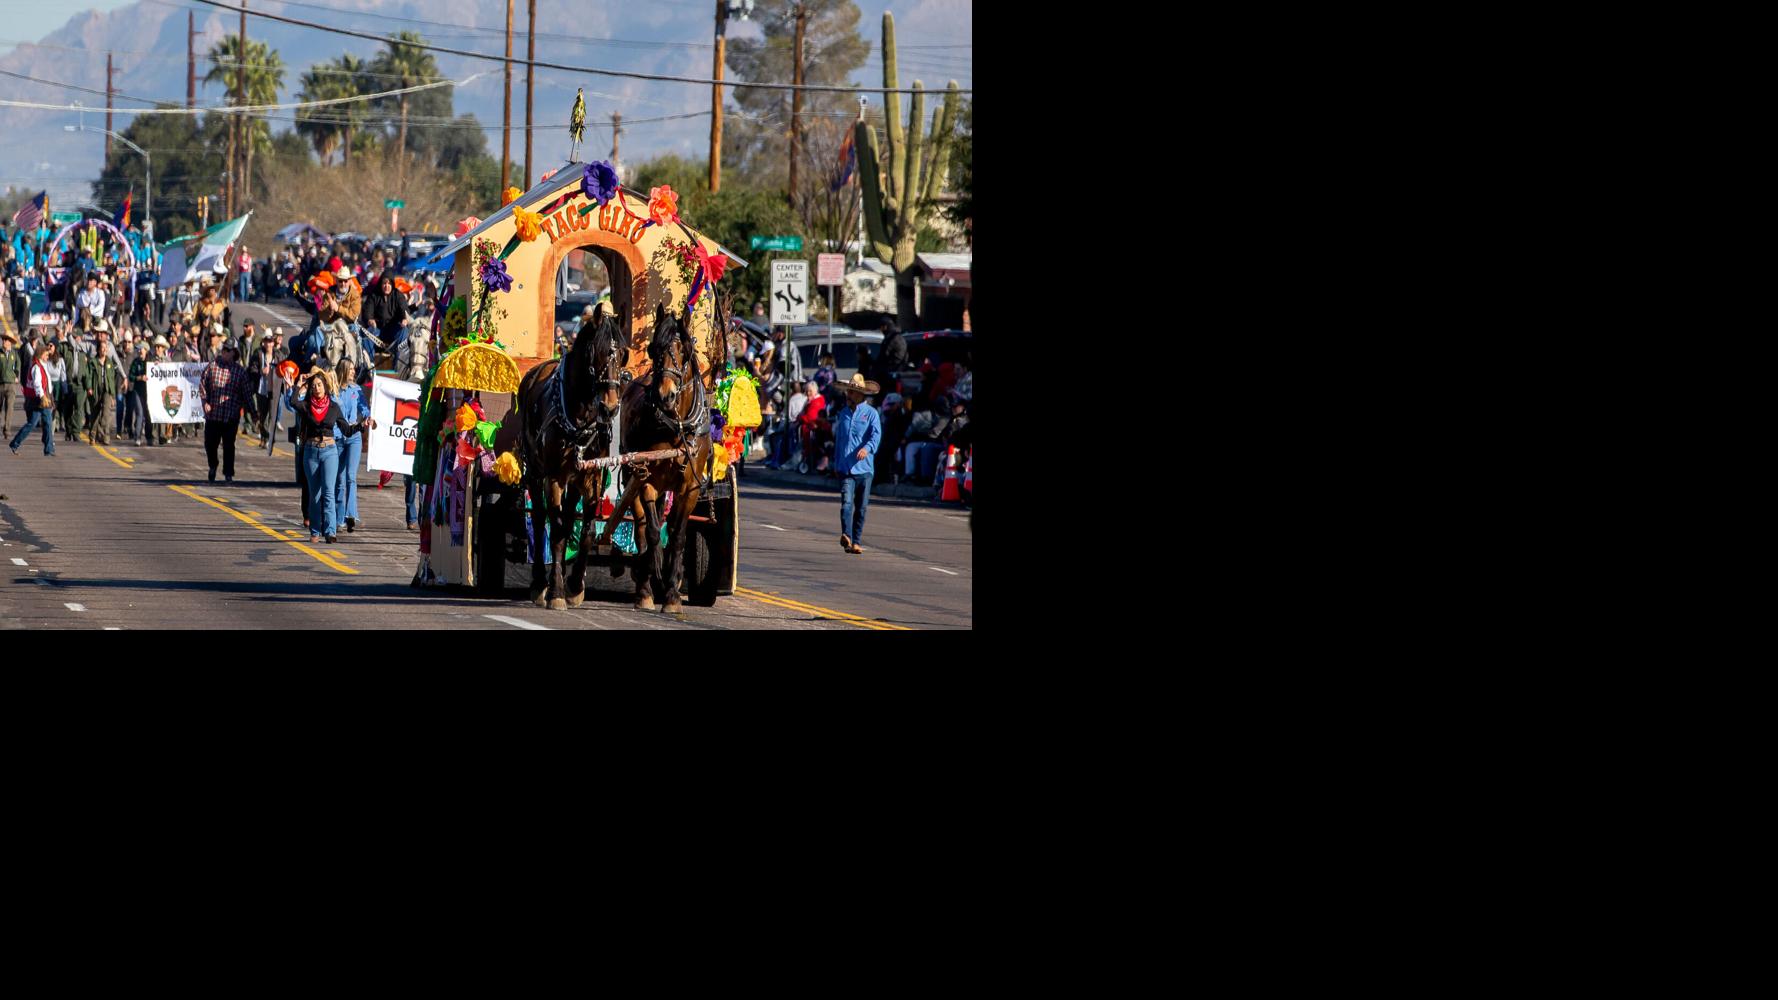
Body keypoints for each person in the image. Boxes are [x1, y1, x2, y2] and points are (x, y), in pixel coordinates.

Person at [831, 373, 881, 554]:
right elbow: (839, 441)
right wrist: (836, 463)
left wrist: (867, 448)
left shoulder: (871, 414)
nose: (849, 395)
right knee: (846, 503)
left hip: (865, 469)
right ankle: (846, 535)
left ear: (860, 395)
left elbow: (876, 436)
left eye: (852, 392)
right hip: (846, 468)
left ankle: (857, 541)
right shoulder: (843, 413)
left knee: (861, 507)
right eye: (848, 392)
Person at [200, 339, 253, 483]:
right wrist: (205, 402)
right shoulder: (212, 367)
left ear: (234, 353)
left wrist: (253, 413)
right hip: (214, 415)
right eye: (224, 349)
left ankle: (228, 473)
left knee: (229, 445)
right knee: (210, 444)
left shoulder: (240, 372)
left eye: (228, 350)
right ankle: (213, 465)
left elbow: (247, 393)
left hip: (231, 416)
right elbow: (202, 385)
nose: (224, 352)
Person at [330, 358, 369, 532]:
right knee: (339, 479)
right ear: (344, 370)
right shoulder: (334, 391)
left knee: (351, 477)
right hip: (338, 437)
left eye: (354, 369)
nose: (354, 372)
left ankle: (351, 514)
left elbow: (364, 408)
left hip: (354, 436)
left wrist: (368, 417)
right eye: (351, 369)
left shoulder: (357, 390)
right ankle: (339, 518)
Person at [9, 341, 55, 456]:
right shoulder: (36, 367)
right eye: (45, 355)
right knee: (41, 423)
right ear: (40, 355)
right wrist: (43, 396)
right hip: (39, 400)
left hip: (44, 398)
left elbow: (47, 383)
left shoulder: (42, 365)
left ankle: (16, 443)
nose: (47, 356)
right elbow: (37, 384)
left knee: (39, 423)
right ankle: (48, 448)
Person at [84, 325, 123, 446]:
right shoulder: (93, 362)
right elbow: (88, 375)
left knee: (106, 414)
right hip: (96, 389)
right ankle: (93, 435)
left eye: (106, 348)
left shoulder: (110, 363)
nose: (104, 350)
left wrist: (112, 395)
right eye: (102, 348)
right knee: (95, 414)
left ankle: (105, 437)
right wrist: (89, 387)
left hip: (106, 390)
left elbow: (111, 379)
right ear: (99, 350)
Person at [362, 274, 407, 355]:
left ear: (392, 284)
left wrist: (404, 318)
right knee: (367, 333)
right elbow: (368, 310)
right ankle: (370, 363)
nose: (387, 286)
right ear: (380, 284)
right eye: (384, 283)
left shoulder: (398, 295)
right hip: (378, 329)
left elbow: (403, 308)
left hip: (394, 329)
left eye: (389, 283)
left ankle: (398, 361)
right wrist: (370, 320)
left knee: (404, 331)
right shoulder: (374, 295)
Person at [875, 320, 908, 392]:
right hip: (898, 370)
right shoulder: (900, 337)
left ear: (885, 327)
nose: (880, 330)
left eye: (881, 327)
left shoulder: (891, 338)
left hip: (891, 371)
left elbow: (884, 355)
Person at [0, 328, 18, 440]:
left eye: (6, 339)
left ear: (10, 342)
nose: (4, 341)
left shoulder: (14, 354)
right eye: (3, 339)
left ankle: (7, 430)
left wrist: (16, 376)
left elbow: (18, 366)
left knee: (9, 408)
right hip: (0, 384)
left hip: (11, 384)